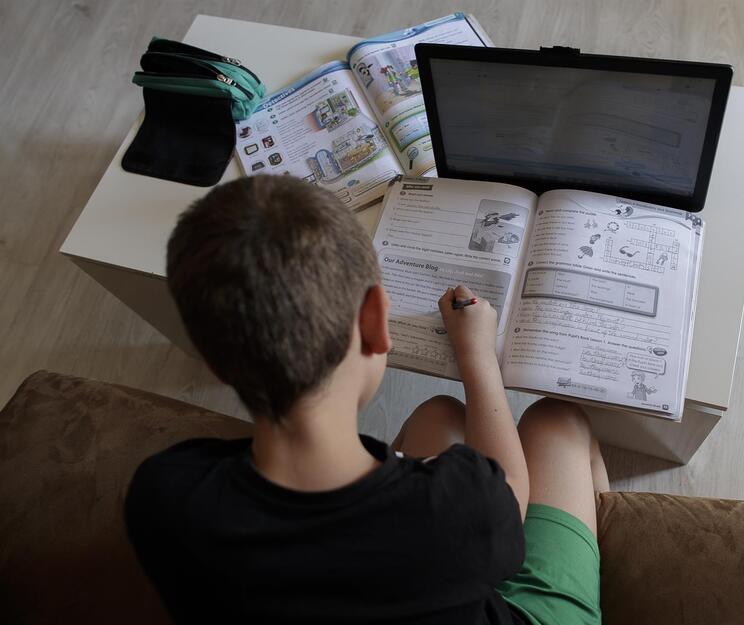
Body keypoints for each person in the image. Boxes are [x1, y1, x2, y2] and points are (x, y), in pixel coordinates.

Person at [124, 175, 608, 625]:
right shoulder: (458, 510)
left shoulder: (162, 495)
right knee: (556, 419)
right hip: (486, 574)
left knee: (439, 414)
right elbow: (509, 493)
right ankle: (611, 538)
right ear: (376, 320)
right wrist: (475, 353)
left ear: (213, 362)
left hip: (454, 563)